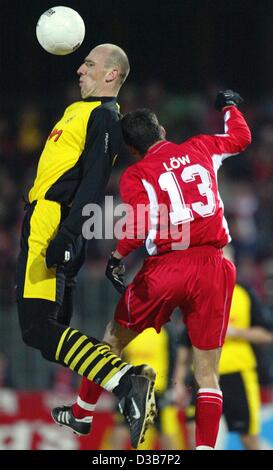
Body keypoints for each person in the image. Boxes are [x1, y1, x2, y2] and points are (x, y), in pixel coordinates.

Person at [53, 90, 252, 449]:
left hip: (165, 266)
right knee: (207, 374)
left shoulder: (136, 173)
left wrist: (116, 256)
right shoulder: (201, 147)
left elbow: (141, 222)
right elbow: (241, 138)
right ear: (160, 130)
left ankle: (82, 413)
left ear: (131, 149)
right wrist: (230, 106)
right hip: (213, 264)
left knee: (111, 340)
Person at [16, 43, 157, 449]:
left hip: (52, 222)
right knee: (46, 334)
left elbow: (94, 185)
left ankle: (126, 381)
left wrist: (66, 236)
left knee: (37, 327)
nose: (80, 69)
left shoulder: (104, 117)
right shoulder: (81, 111)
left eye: (90, 64)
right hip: (46, 220)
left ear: (111, 75)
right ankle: (106, 395)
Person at [174, 280, 273, 450]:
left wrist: (235, 332)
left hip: (237, 375)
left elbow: (267, 335)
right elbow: (185, 344)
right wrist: (179, 382)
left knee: (248, 439)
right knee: (195, 436)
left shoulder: (244, 294)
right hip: (202, 377)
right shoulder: (197, 297)